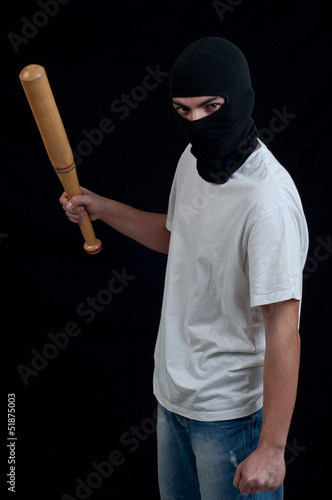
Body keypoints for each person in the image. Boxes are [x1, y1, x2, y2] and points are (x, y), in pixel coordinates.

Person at [60, 37, 309, 499]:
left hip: (232, 416)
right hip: (173, 397)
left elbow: (283, 329)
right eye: (183, 110)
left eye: (210, 106)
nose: (196, 122)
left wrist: (273, 448)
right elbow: (176, 237)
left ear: (238, 98)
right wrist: (102, 207)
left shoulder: (267, 202)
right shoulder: (192, 162)